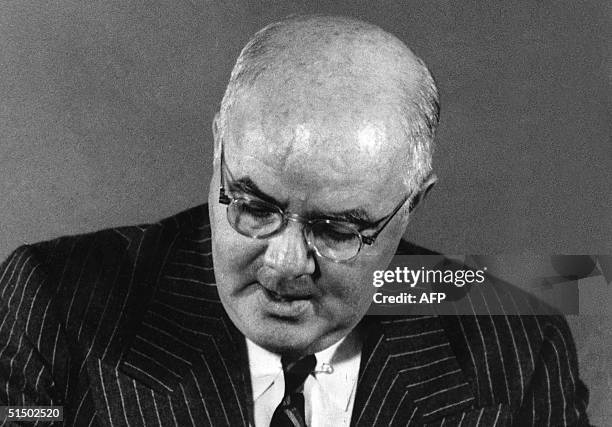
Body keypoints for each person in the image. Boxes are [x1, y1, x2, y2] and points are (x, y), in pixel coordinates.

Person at [0, 15, 590, 427]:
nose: (283, 266)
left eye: (335, 231)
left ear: (411, 204)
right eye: (254, 207)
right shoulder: (51, 298)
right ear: (217, 153)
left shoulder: (519, 343)